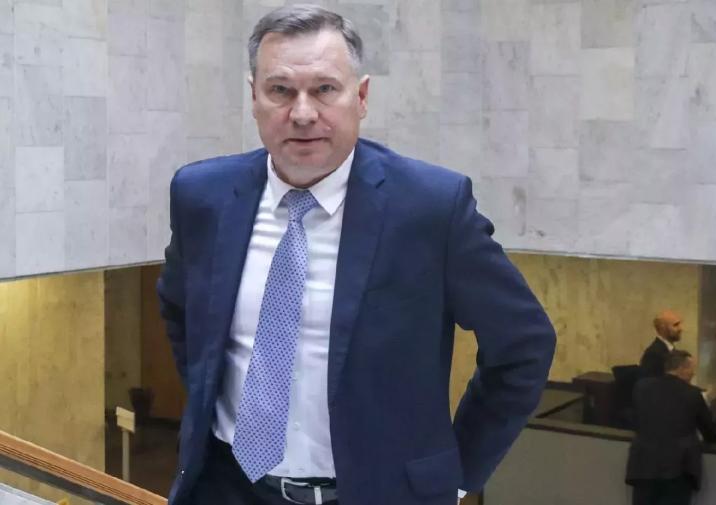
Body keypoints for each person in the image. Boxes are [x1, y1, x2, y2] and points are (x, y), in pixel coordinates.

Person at [156, 5, 556, 505]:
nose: (303, 113)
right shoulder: (202, 196)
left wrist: (459, 472)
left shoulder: (430, 208)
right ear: (254, 97)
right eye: (281, 90)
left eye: (325, 89)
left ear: (361, 97)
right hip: (226, 489)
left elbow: (523, 344)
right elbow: (180, 311)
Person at [626, 350, 716, 505]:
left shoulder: (642, 387)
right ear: (681, 369)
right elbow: (709, 433)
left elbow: (637, 420)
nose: (693, 373)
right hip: (677, 470)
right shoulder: (693, 394)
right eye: (691, 369)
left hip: (643, 466)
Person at [639, 310, 683, 377]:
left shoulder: (670, 350)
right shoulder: (653, 354)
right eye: (675, 325)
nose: (680, 329)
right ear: (663, 328)